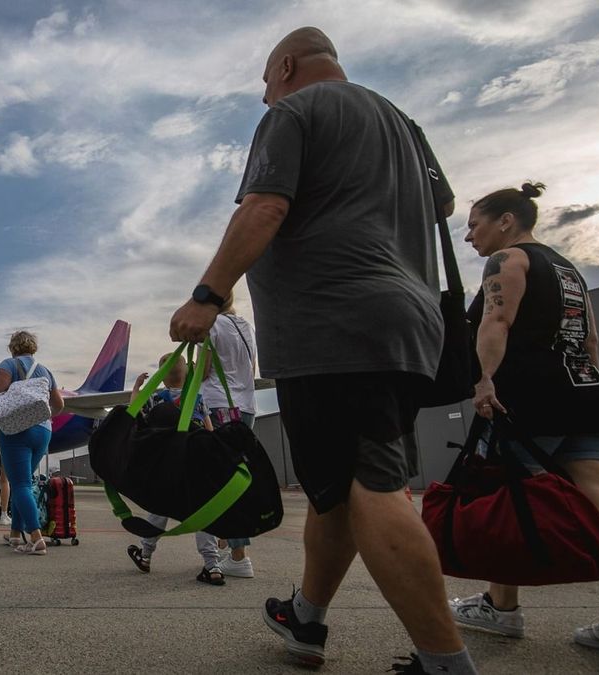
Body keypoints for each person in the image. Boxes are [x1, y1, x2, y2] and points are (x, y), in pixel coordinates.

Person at [168, 27, 474, 673]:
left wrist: (208, 293)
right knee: (337, 487)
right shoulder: (404, 123)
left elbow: (265, 206)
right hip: (408, 322)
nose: (263, 96)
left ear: (283, 65)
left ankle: (446, 660)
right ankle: (306, 617)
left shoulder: (296, 110)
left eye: (263, 82)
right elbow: (442, 204)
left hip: (336, 321)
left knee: (374, 485)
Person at [449, 182, 599, 659]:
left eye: (475, 225)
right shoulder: (567, 269)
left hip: (529, 398)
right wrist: (586, 387)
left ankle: (501, 607)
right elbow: (591, 338)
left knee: (505, 498)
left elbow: (497, 321)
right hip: (585, 391)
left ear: (506, 221)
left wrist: (485, 380)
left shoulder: (508, 261)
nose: (470, 237)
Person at [125, 353, 224, 585]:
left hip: (168, 464)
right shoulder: (198, 399)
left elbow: (134, 410)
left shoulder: (157, 399)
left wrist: (137, 387)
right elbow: (210, 432)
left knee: (160, 509)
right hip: (196, 463)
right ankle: (213, 565)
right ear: (187, 374)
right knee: (203, 512)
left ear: (161, 378)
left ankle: (146, 554)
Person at [0, 330, 65, 555]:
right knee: (25, 484)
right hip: (42, 430)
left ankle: (36, 538)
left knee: (19, 485)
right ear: (33, 347)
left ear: (13, 347)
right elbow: (58, 404)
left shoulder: (8, 365)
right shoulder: (45, 370)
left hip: (15, 431)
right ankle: (14, 535)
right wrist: (42, 417)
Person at [201, 293, 259, 579]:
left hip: (221, 404)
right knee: (238, 476)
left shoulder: (213, 326)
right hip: (246, 405)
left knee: (223, 481)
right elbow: (252, 370)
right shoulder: (246, 326)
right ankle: (231, 545)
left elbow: (204, 370)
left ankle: (239, 555)